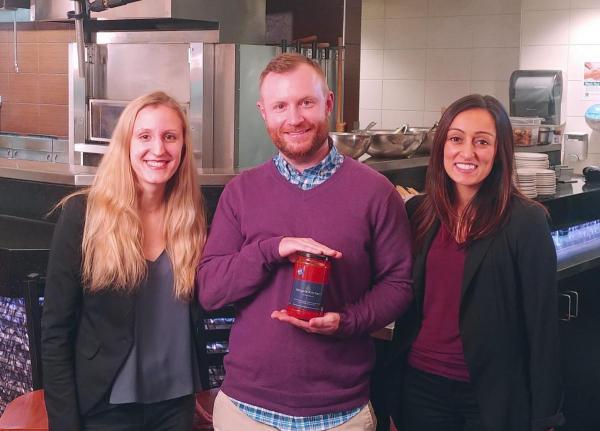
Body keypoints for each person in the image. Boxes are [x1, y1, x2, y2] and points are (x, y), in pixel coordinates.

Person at [197, 53, 413, 430]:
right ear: (264, 112)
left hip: (341, 412)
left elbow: (399, 285)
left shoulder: (376, 193)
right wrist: (271, 249)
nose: (293, 118)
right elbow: (211, 289)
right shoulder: (241, 192)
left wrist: (346, 321)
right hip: (246, 410)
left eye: (306, 103)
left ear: (328, 103)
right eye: (280, 106)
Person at [383, 94, 564, 431]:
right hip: (419, 388)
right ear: (441, 147)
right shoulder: (417, 213)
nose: (467, 153)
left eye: (482, 141)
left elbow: (542, 326)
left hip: (493, 396)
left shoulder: (525, 222)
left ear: (499, 152)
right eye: (456, 139)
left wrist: (546, 417)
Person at [41, 91, 207, 431]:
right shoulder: (82, 215)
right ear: (125, 145)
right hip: (105, 406)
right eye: (144, 136)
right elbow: (55, 331)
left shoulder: (194, 219)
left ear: (183, 148)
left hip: (176, 404)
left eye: (170, 137)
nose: (158, 149)